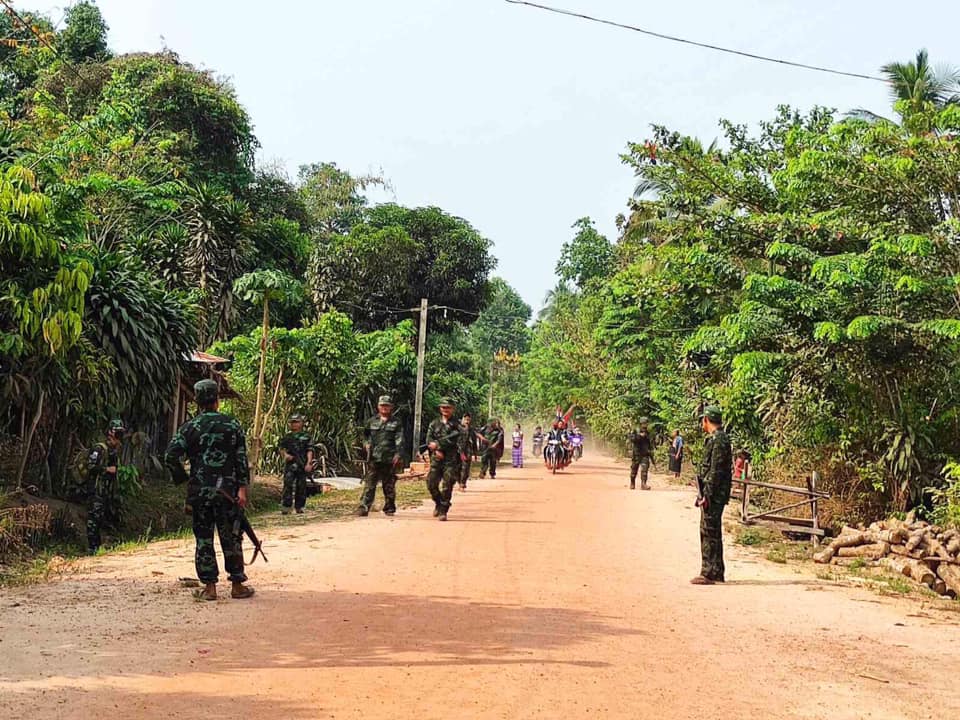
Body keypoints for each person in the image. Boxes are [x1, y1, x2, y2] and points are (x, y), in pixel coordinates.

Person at [165, 379, 255, 601]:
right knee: (231, 537)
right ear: (217, 400)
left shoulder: (190, 427)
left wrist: (185, 480)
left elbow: (170, 456)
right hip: (228, 492)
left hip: (200, 493)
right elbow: (241, 460)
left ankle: (210, 588)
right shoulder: (232, 425)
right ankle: (237, 585)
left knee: (203, 539)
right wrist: (242, 489)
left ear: (197, 401)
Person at [692, 405, 733, 585]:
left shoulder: (718, 440)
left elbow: (715, 471)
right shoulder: (719, 439)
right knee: (713, 531)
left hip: (714, 493)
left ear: (706, 420)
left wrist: (706, 495)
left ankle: (708, 572)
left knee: (708, 530)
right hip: (715, 492)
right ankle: (716, 571)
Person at [358, 395, 404, 516]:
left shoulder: (396, 422)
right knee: (370, 484)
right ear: (378, 406)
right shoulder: (372, 421)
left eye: (387, 405)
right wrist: (366, 444)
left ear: (391, 407)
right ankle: (364, 506)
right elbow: (365, 436)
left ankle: (389, 507)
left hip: (389, 458)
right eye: (382, 405)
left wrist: (398, 454)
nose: (384, 408)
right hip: (374, 457)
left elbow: (399, 439)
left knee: (388, 484)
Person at [85, 419, 124, 554]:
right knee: (93, 518)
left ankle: (99, 546)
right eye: (116, 432)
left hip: (105, 490)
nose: (118, 436)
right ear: (110, 432)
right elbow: (90, 466)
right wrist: (107, 470)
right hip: (96, 489)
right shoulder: (99, 448)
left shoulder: (114, 451)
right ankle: (92, 547)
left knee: (101, 518)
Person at [425, 397, 463, 521]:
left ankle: (443, 510)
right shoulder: (434, 423)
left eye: (448, 407)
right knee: (431, 483)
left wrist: (439, 446)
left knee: (447, 484)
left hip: (451, 459)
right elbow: (428, 440)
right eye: (443, 407)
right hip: (436, 458)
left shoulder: (457, 425)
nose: (445, 409)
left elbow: (458, 440)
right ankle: (439, 502)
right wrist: (435, 450)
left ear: (453, 409)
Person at [279, 414, 315, 515]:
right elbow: (281, 448)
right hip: (290, 465)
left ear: (301, 423)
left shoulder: (306, 437)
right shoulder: (287, 437)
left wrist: (309, 463)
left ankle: (300, 507)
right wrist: (285, 455)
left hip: (302, 464)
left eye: (296, 422)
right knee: (288, 484)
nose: (294, 424)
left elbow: (310, 450)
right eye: (292, 422)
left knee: (301, 486)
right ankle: (286, 507)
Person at [628, 419, 654, 490]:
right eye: (644, 423)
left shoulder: (647, 433)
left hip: (645, 454)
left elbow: (649, 443)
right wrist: (639, 436)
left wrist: (650, 451)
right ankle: (632, 483)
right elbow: (631, 439)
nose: (645, 425)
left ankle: (643, 484)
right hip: (636, 453)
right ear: (641, 424)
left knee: (644, 470)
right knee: (634, 469)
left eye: (646, 423)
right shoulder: (635, 431)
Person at [458, 412, 478, 490]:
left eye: (468, 420)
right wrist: (461, 452)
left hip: (468, 451)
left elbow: (474, 441)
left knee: (466, 467)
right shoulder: (458, 428)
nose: (467, 421)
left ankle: (462, 483)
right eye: (465, 419)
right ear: (462, 419)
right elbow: (456, 441)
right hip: (458, 451)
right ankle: (460, 482)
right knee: (458, 468)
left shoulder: (471, 430)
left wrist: (475, 454)